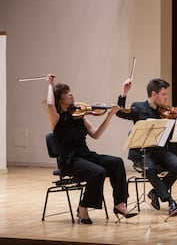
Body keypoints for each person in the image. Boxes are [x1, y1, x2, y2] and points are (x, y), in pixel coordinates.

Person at [45, 74, 137, 224]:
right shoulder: (56, 118)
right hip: (70, 160)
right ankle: (83, 207)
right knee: (98, 171)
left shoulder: (79, 115)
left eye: (70, 91)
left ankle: (120, 204)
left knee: (117, 162)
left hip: (85, 156)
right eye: (66, 93)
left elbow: (96, 134)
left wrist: (110, 115)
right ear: (59, 98)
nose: (71, 94)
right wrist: (50, 84)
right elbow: (50, 105)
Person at [116, 78, 177, 216]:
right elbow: (120, 112)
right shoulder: (138, 107)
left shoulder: (165, 111)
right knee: (150, 168)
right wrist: (124, 93)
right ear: (154, 94)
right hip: (142, 153)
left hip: (160, 151)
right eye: (163, 94)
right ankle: (170, 201)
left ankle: (155, 192)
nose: (166, 97)